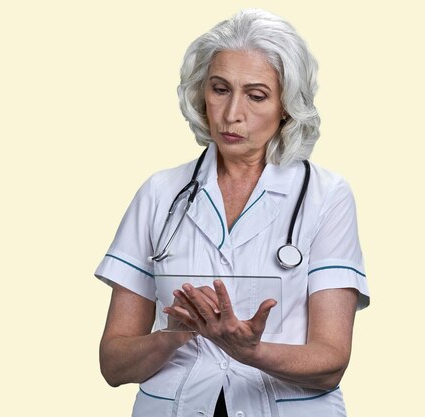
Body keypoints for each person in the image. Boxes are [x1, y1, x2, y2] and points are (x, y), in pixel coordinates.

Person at [94, 9, 369, 417]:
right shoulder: (160, 194)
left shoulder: (326, 197)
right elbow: (113, 364)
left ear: (287, 105)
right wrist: (175, 335)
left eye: (256, 95)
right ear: (200, 93)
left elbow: (331, 361)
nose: (231, 113)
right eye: (220, 89)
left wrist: (251, 350)